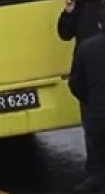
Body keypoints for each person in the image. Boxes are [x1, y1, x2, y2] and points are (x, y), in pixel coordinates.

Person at [60, 0, 105, 192]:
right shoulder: (76, 7)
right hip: (88, 72)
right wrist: (67, 13)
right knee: (92, 125)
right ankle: (96, 172)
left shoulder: (102, 2)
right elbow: (64, 34)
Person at [70, 13, 105, 192]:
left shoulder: (85, 48)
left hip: (97, 117)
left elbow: (75, 84)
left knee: (99, 165)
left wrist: (91, 100)